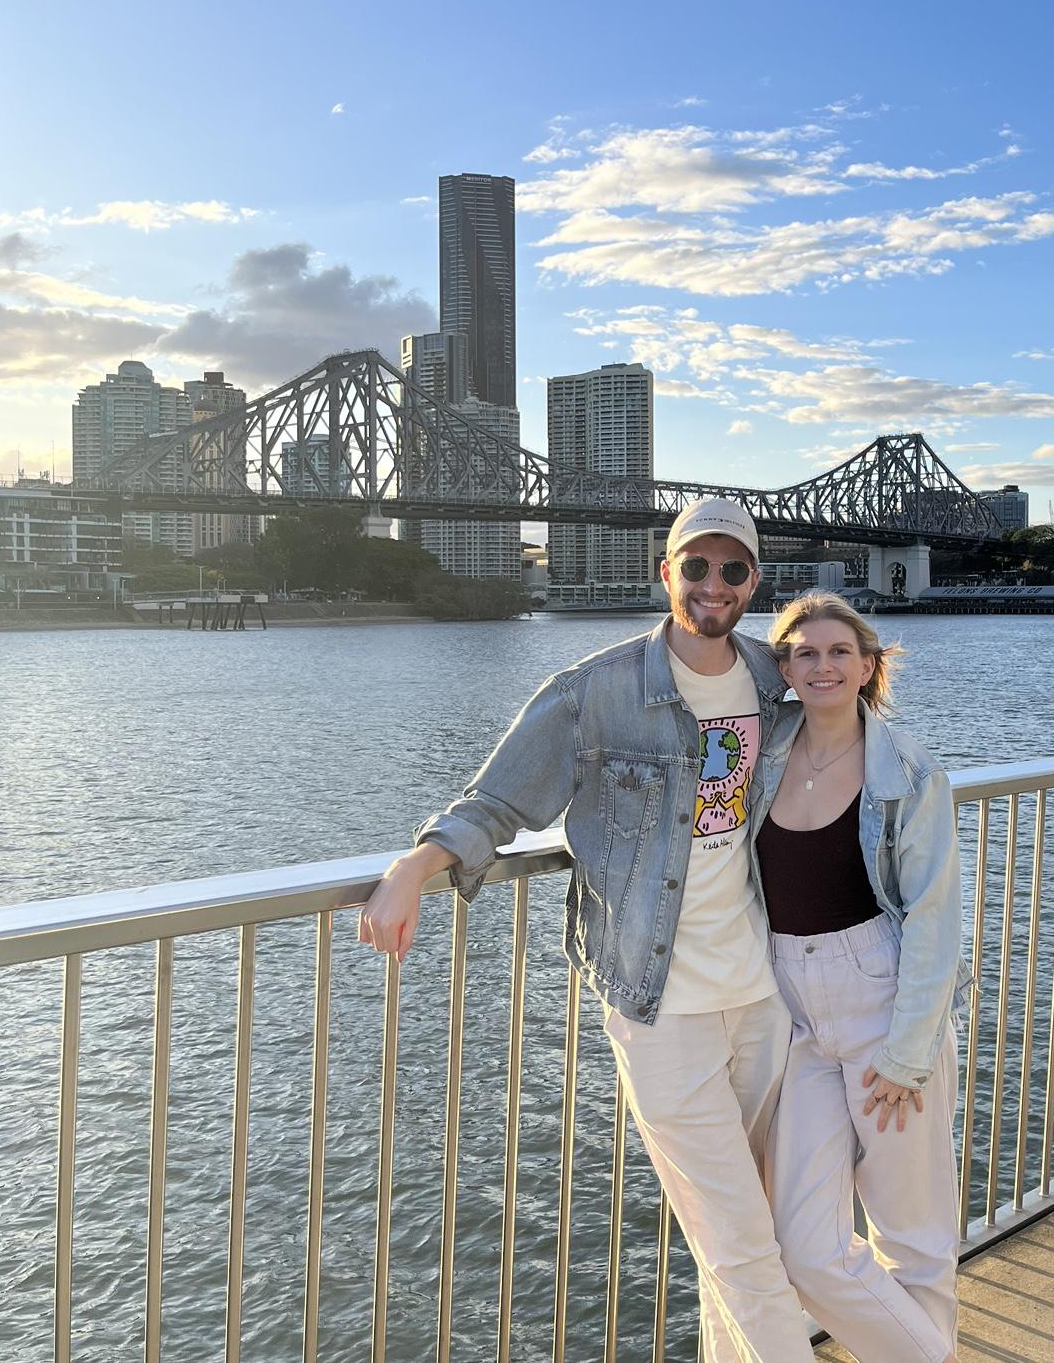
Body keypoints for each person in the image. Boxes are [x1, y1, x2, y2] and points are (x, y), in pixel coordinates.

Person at [357, 498, 815, 1363]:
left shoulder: (774, 675)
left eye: (733, 569)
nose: (713, 584)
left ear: (755, 580)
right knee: (745, 1244)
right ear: (666, 573)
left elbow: (851, 729)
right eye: (696, 566)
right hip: (659, 1004)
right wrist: (415, 865)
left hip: (762, 996)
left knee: (745, 1232)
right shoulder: (595, 691)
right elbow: (496, 801)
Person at [752, 591, 967, 1363]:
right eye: (804, 653)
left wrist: (909, 1052)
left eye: (840, 651)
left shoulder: (908, 770)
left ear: (870, 665)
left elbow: (935, 917)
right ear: (783, 669)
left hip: (882, 1000)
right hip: (794, 1014)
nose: (824, 665)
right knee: (803, 1246)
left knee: (914, 1237)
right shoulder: (754, 754)